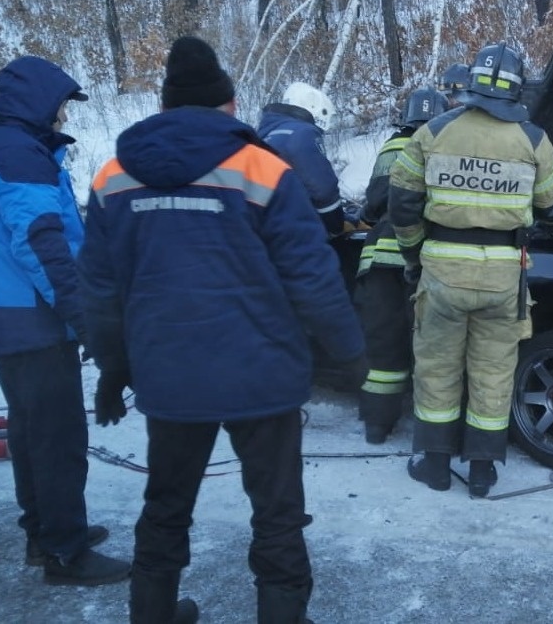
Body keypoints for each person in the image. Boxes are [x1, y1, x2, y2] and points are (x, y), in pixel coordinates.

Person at [78, 36, 366, 623]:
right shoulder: (263, 168)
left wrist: (113, 366)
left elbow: (101, 291)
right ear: (230, 105)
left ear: (164, 106)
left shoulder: (112, 178)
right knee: (277, 511)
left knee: (166, 504)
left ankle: (152, 614)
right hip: (261, 375)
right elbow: (312, 277)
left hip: (169, 374)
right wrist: (355, 358)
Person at [0, 56, 131, 586]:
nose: (63, 118)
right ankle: (65, 552)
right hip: (33, 318)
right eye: (59, 106)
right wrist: (87, 320)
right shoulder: (18, 154)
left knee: (31, 434)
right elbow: (42, 246)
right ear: (37, 103)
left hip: (9, 318)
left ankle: (44, 532)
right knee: (57, 438)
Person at [389, 43, 553, 498]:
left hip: (443, 273)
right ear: (515, 89)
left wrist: (414, 255)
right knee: (493, 373)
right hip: (503, 280)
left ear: (470, 84)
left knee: (437, 369)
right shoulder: (532, 139)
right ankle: (483, 472)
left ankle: (434, 466)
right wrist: (550, 223)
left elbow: (402, 203)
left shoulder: (433, 131)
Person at [355, 88, 450, 444]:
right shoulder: (444, 146)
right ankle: (434, 432)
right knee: (430, 346)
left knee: (381, 345)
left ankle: (377, 426)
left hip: (379, 258)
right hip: (424, 260)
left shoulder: (393, 145)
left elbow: (375, 199)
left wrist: (367, 214)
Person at [258, 82, 345, 237]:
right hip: (293, 231)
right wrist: (337, 223)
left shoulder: (263, 135)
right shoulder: (302, 132)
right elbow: (322, 189)